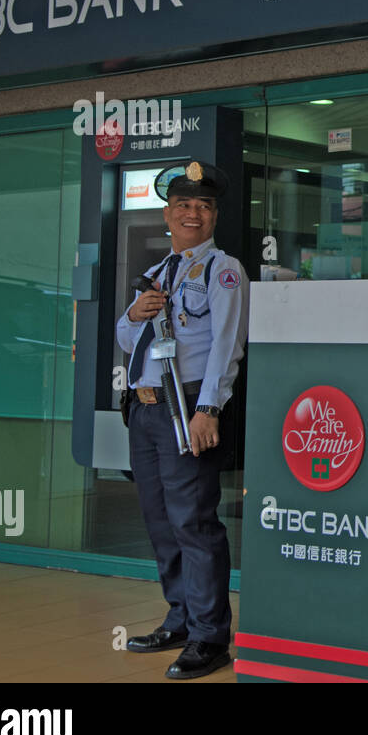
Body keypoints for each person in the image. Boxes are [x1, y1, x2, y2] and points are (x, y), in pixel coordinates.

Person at [115, 160, 248, 679]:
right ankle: (180, 617)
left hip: (186, 407)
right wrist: (134, 314)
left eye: (204, 206)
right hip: (144, 409)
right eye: (184, 205)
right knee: (160, 522)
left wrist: (209, 408)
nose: (193, 213)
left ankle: (211, 637)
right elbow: (128, 342)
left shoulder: (223, 270)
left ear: (213, 217)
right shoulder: (155, 274)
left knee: (193, 522)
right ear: (167, 214)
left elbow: (227, 346)